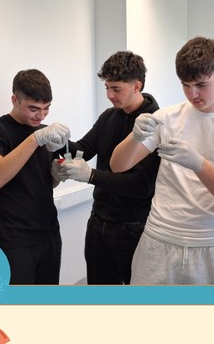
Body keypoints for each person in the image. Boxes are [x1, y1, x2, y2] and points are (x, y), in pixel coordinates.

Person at [110, 36, 214, 285]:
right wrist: (135, 138)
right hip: (159, 238)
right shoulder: (166, 117)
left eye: (201, 84)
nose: (193, 94)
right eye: (185, 85)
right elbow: (118, 166)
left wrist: (199, 165)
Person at [57, 51, 160, 285]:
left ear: (137, 86)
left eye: (116, 89)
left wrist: (92, 175)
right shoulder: (109, 116)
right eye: (107, 88)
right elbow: (83, 150)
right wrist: (57, 141)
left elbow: (141, 185)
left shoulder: (153, 123)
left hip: (134, 226)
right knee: (100, 294)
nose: (109, 95)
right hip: (99, 220)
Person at [0, 69, 70, 285]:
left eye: (46, 108)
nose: (41, 116)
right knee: (16, 303)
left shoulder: (46, 133)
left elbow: (44, 182)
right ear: (15, 100)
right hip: (11, 239)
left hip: (48, 233)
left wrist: (58, 175)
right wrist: (34, 139)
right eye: (34, 109)